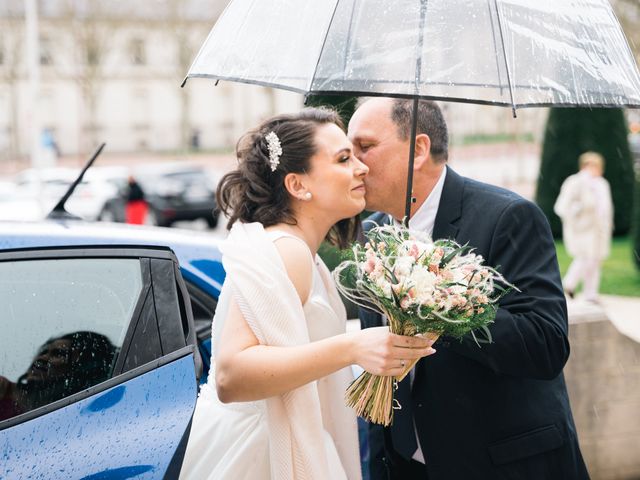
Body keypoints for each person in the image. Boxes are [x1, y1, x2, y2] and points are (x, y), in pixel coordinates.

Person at [179, 107, 436, 480]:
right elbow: (230, 377)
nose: (361, 168)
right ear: (298, 185)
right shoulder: (286, 251)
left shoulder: (307, 257)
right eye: (344, 159)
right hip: (260, 456)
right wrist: (352, 348)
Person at [348, 97, 589, 480]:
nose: (355, 165)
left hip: (505, 464)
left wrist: (438, 301)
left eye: (365, 147)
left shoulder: (508, 216)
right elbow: (382, 366)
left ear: (418, 150)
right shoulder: (372, 235)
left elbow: (546, 344)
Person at [0, 331, 115, 421]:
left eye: (58, 354)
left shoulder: (82, 409)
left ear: (82, 367)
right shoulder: (5, 392)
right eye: (43, 352)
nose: (42, 359)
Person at [554, 151, 613, 304]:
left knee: (595, 261)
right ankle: (568, 284)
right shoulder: (575, 182)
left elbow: (607, 207)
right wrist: (580, 209)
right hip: (582, 229)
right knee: (585, 258)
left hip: (599, 229)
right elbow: (562, 206)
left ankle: (590, 293)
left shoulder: (602, 184)